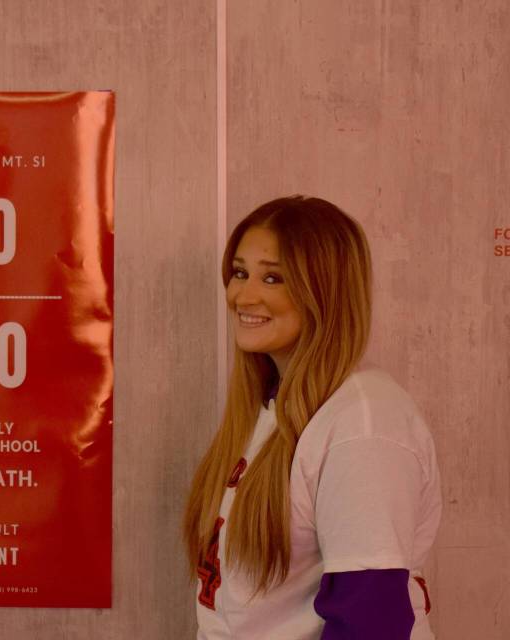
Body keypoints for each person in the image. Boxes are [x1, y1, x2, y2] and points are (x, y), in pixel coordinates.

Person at [183, 196, 442, 639]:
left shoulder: (363, 424)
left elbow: (371, 621)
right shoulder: (269, 407)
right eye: (240, 273)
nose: (243, 295)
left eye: (273, 277)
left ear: (324, 289)